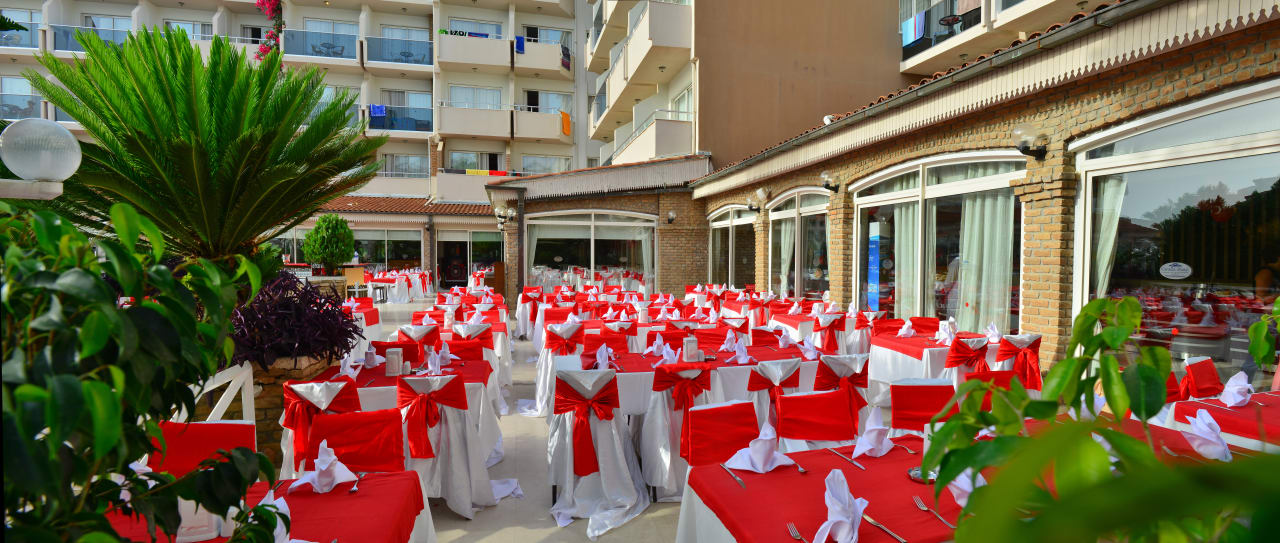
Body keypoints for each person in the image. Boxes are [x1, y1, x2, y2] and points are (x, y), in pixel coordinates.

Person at [1241, 250, 1280, 381]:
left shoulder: (1274, 273)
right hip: (1263, 318)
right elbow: (1261, 297)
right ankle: (1243, 386)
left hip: (1272, 318)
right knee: (1254, 356)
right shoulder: (1266, 272)